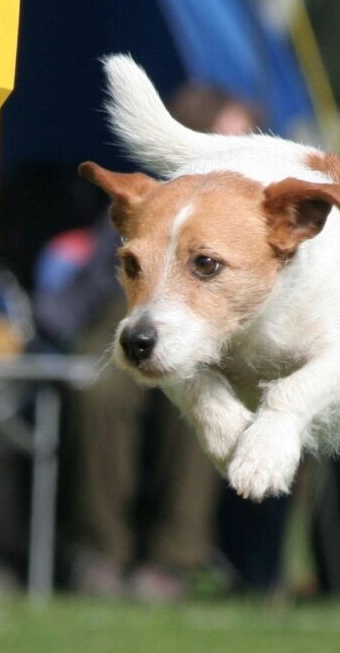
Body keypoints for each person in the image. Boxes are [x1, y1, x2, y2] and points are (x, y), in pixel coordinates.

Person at [36, 83, 262, 602]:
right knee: (96, 391)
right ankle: (98, 554)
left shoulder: (255, 210)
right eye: (226, 144)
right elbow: (97, 275)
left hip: (219, 314)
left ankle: (174, 560)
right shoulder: (154, 199)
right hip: (130, 305)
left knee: (200, 399)